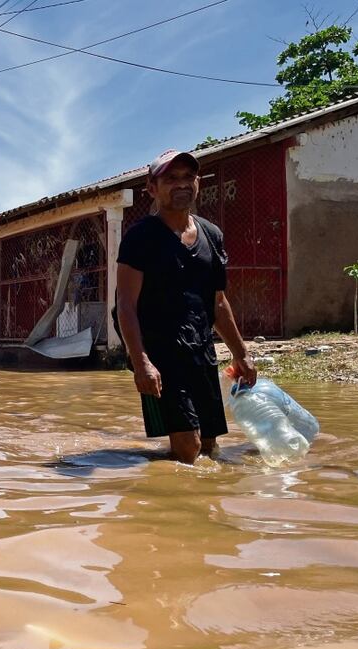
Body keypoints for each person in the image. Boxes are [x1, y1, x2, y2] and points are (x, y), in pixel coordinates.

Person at [115, 149, 256, 464]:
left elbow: (218, 302)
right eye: (170, 178)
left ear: (197, 183)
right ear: (152, 188)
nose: (181, 184)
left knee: (209, 446)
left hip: (201, 349)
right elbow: (125, 304)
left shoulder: (211, 234)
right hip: (161, 353)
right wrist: (141, 363)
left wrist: (241, 353)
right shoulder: (140, 238)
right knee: (189, 449)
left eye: (188, 177)